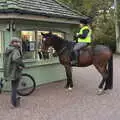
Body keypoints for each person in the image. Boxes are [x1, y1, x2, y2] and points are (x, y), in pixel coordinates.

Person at [4, 37, 24, 107]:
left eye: (19, 42)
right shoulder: (15, 50)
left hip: (11, 71)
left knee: (14, 87)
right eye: (17, 42)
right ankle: (13, 103)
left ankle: (14, 101)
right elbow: (16, 59)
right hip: (15, 71)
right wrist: (22, 64)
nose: (19, 44)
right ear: (13, 43)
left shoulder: (8, 49)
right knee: (14, 88)